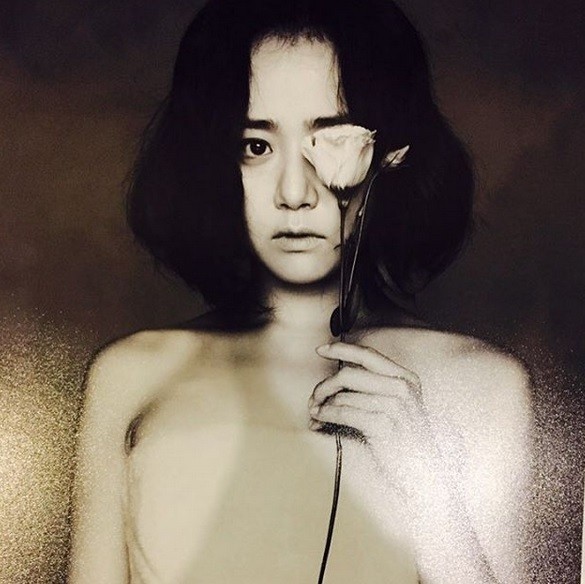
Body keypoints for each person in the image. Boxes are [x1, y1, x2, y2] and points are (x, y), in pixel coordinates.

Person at [68, 0, 533, 582]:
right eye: (256, 146)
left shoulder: (481, 385)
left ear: (390, 156)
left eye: (330, 140)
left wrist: (422, 477)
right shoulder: (131, 377)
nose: (294, 193)